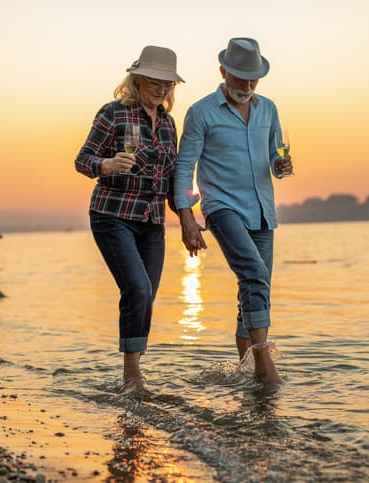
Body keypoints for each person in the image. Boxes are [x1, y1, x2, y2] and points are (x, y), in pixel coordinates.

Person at [173, 37, 292, 385]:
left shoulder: (268, 108)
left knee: (252, 285)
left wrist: (281, 165)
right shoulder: (201, 112)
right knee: (255, 275)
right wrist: (186, 218)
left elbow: (275, 155)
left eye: (253, 78)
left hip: (262, 211)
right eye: (240, 77)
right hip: (222, 208)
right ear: (223, 71)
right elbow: (184, 168)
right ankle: (265, 366)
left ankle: (244, 372)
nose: (248, 85)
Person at [74, 45, 183, 394]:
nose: (161, 88)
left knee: (146, 294)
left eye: (167, 83)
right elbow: (82, 159)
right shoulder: (113, 114)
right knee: (136, 287)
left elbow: (171, 178)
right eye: (154, 81)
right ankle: (131, 375)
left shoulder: (167, 124)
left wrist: (188, 220)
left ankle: (136, 372)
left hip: (152, 221)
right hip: (112, 215)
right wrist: (104, 165)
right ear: (137, 79)